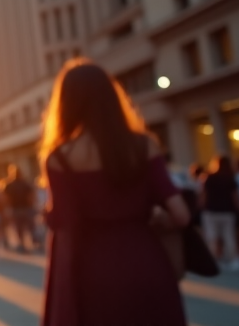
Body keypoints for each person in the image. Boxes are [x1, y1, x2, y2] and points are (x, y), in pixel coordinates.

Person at [40, 60, 190, 326]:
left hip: (93, 269)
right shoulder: (143, 146)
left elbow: (66, 224)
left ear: (66, 103)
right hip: (146, 259)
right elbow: (181, 215)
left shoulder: (60, 158)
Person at [201, 155, 239, 271]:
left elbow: (203, 195)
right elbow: (235, 196)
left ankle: (214, 260)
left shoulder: (209, 178)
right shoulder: (230, 178)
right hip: (227, 210)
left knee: (212, 237)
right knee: (229, 236)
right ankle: (233, 259)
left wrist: (201, 207)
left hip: (211, 210)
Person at [3, 165, 36, 252]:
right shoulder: (25, 184)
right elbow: (31, 196)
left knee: (18, 228)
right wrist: (31, 205)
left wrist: (7, 207)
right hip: (26, 208)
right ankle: (33, 243)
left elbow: (6, 198)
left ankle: (22, 244)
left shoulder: (9, 185)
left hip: (15, 209)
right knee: (30, 226)